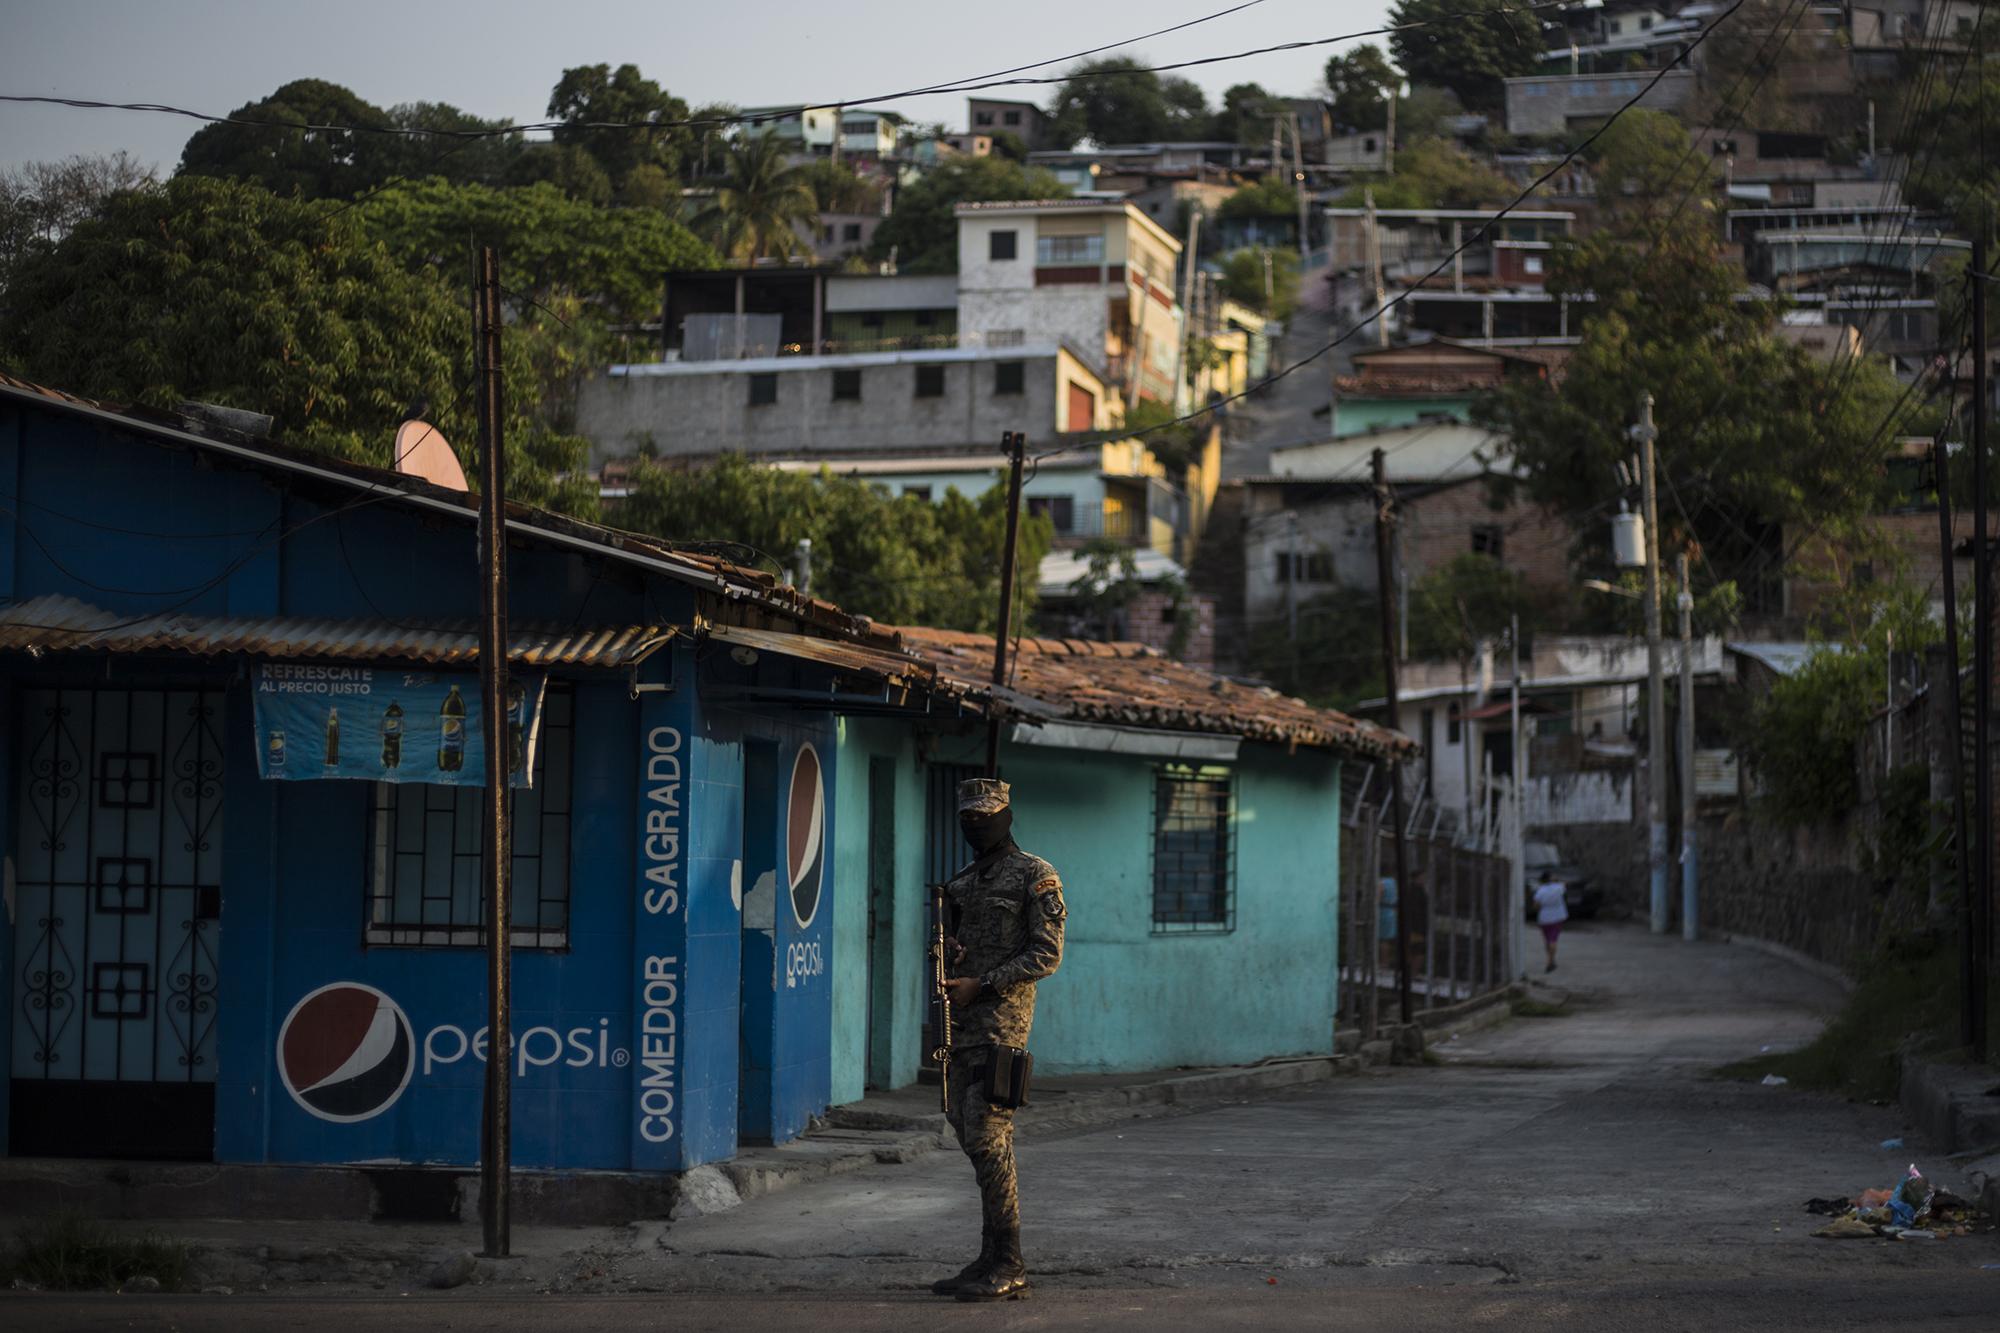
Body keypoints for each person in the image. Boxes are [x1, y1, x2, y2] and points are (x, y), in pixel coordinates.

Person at [931, 777, 1066, 1303]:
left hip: (1001, 1024)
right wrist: (950, 955)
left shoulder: (1035, 874)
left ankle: (1010, 1261)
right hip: (960, 1028)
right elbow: (958, 948)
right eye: (967, 817)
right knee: (966, 1130)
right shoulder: (961, 884)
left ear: (1006, 815)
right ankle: (989, 1255)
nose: (975, 825)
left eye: (985, 816)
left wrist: (983, 984)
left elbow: (1046, 954)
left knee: (989, 1135)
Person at [1532, 868, 1568, 973]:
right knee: (1553, 939)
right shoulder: (1558, 888)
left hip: (1544, 917)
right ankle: (1550, 961)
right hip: (1557, 916)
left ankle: (1551, 960)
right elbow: (1564, 885)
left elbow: (1536, 905)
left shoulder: (1540, 891)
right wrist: (1557, 880)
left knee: (1547, 940)